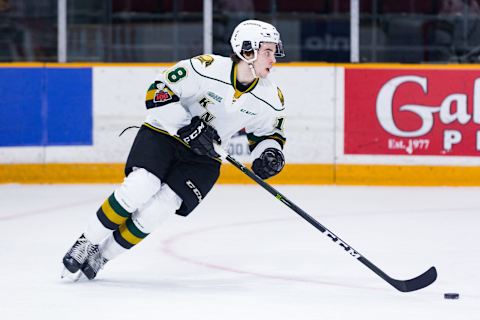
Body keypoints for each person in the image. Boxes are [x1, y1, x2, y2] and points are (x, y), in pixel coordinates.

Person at [61, 19, 287, 281]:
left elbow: (270, 135)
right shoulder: (206, 68)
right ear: (247, 51)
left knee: (162, 207)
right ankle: (86, 242)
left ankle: (103, 256)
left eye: (274, 52)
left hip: (205, 156)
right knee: (140, 185)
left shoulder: (271, 96)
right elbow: (157, 92)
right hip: (165, 134)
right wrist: (187, 126)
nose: (274, 59)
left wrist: (269, 155)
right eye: (268, 51)